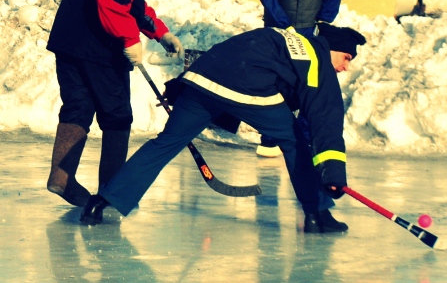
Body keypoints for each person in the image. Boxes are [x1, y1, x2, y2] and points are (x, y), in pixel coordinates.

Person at [80, 23, 367, 234]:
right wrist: (332, 171)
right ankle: (317, 213)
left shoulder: (285, 36)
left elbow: (225, 54)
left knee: (165, 143)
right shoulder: (316, 60)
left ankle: (102, 201)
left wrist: (183, 85)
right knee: (294, 141)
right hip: (244, 89)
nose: (344, 67)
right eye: (346, 58)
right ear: (332, 48)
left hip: (201, 81)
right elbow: (325, 117)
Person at [46, 0, 185, 208]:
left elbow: (133, 5)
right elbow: (110, 4)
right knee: (117, 116)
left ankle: (61, 177)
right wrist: (129, 40)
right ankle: (110, 193)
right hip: (98, 48)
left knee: (79, 106)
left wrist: (160, 33)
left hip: (69, 43)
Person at [255, 0, 343, 157]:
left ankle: (304, 134)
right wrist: (283, 23)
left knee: (309, 82)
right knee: (278, 80)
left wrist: (324, 20)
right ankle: (271, 136)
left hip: (310, 28)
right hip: (278, 29)